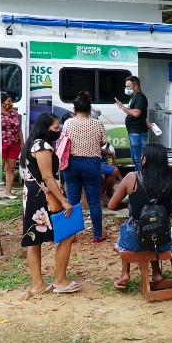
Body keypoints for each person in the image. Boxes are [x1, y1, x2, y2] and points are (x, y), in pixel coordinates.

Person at [109, 143, 172, 288]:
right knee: (154, 227)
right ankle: (157, 272)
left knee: (128, 226)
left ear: (145, 159)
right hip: (162, 238)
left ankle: (124, 273)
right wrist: (169, 210)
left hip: (134, 239)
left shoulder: (131, 178)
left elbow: (111, 205)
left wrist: (129, 205)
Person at [19, 112, 80, 294]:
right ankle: (60, 280)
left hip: (31, 195)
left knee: (33, 239)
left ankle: (38, 284)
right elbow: (47, 176)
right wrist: (64, 201)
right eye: (55, 128)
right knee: (67, 233)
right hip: (44, 196)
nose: (58, 130)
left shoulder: (30, 144)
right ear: (46, 128)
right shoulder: (42, 145)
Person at [61, 91, 108, 243]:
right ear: (90, 109)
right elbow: (102, 142)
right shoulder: (97, 123)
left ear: (74, 109)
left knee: (73, 200)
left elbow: (63, 140)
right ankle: (97, 234)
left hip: (72, 164)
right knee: (94, 201)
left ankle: (71, 235)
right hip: (92, 164)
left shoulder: (68, 123)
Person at [114, 76, 151, 172]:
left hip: (138, 132)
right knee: (135, 158)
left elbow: (136, 113)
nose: (126, 89)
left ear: (135, 87)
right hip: (132, 131)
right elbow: (137, 113)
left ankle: (140, 178)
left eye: (128, 86)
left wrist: (122, 107)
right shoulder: (133, 97)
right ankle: (138, 176)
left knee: (139, 158)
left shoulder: (141, 97)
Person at [0, 92, 24, 200]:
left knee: (10, 168)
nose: (10, 103)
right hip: (0, 144)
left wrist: (22, 142)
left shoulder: (14, 113)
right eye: (8, 101)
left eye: (11, 101)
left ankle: (8, 192)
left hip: (13, 144)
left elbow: (18, 129)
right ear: (1, 103)